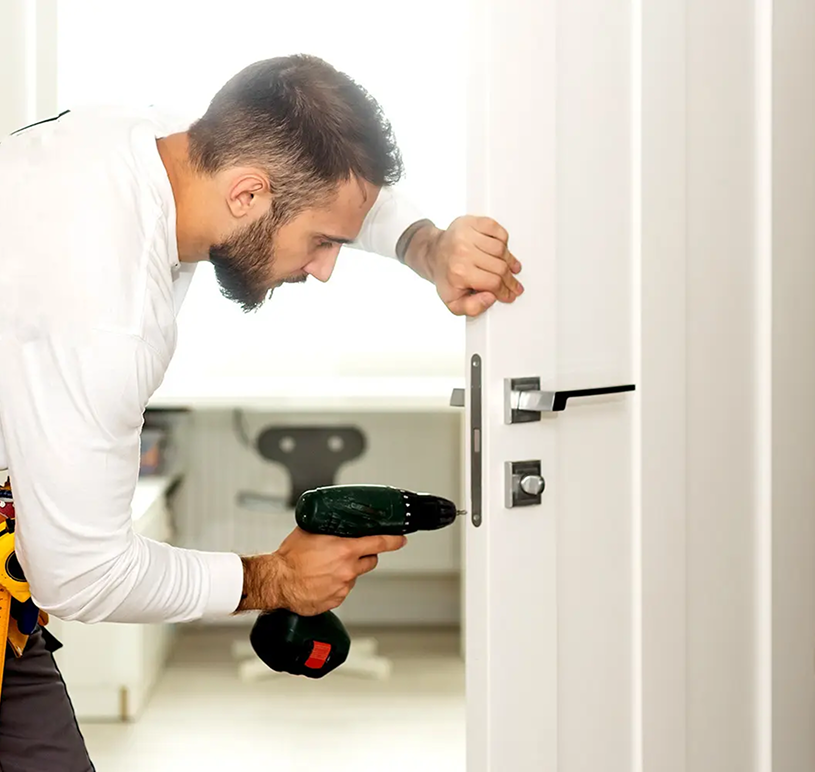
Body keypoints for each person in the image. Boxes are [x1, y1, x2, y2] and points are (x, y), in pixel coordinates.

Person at [0, 54, 522, 770]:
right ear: (247, 194)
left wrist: (427, 247)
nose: (326, 268)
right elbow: (81, 573)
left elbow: (325, 173)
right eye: (322, 242)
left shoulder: (156, 141)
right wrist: (275, 578)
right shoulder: (107, 316)